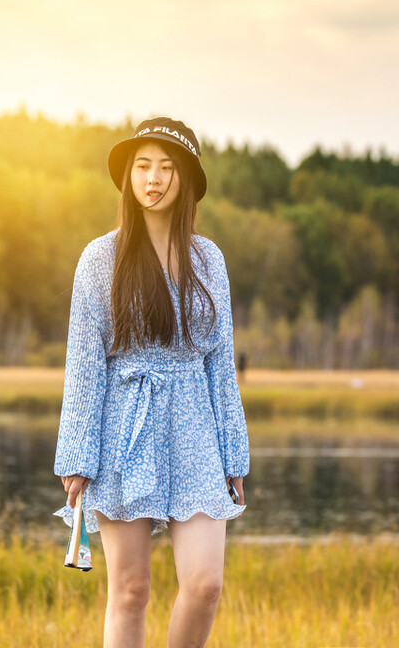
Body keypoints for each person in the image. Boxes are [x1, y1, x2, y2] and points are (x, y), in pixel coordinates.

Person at [52, 117, 250, 648]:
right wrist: (77, 455)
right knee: (131, 590)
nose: (153, 178)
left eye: (166, 167)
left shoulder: (209, 260)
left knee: (205, 585)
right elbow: (85, 363)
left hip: (195, 428)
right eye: (142, 166)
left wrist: (234, 454)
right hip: (125, 427)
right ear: (129, 177)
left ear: (185, 178)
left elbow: (220, 364)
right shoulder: (100, 258)